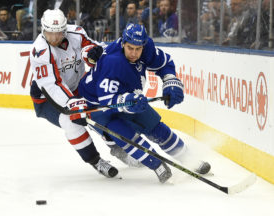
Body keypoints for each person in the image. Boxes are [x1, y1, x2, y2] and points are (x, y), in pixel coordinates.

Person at [78, 24, 211, 183]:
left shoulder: (146, 48)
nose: (134, 53)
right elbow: (107, 99)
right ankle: (156, 165)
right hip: (97, 104)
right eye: (130, 48)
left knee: (155, 126)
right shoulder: (112, 61)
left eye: (138, 49)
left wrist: (170, 80)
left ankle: (189, 159)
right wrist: (125, 101)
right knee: (124, 134)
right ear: (123, 44)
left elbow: (165, 63)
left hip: (128, 93)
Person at [29, 9, 119, 178]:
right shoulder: (39, 50)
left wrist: (91, 53)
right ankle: (95, 160)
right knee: (70, 120)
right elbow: (52, 85)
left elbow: (89, 46)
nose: (54, 38)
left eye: (59, 33)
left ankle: (116, 146)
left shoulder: (75, 32)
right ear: (43, 30)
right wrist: (72, 103)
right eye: (50, 33)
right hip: (47, 98)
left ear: (64, 29)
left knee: (99, 112)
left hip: (76, 87)